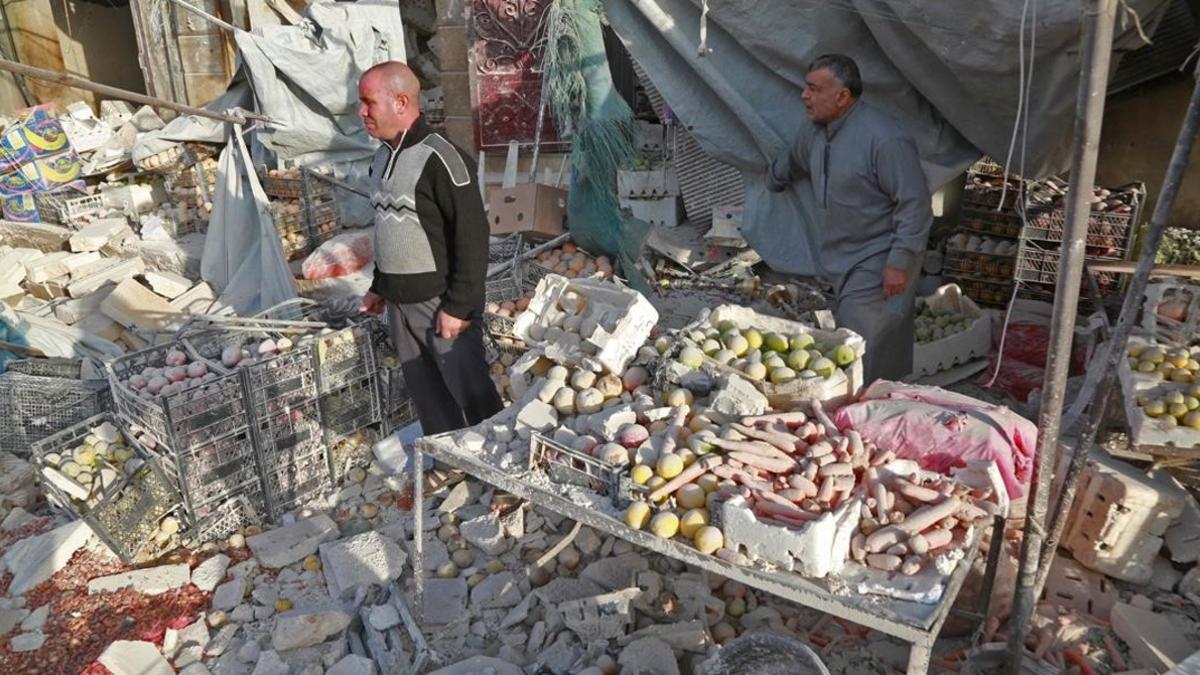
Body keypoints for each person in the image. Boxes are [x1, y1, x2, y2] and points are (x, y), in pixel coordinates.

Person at [766, 53, 933, 383]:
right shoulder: (815, 132)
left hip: (878, 255)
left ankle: (864, 409)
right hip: (838, 257)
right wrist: (772, 178)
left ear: (843, 96)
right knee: (862, 344)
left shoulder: (884, 139)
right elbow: (795, 160)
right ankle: (877, 401)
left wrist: (899, 262)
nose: (804, 95)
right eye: (806, 87)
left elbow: (915, 204)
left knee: (858, 342)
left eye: (814, 89)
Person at [358, 61, 503, 434]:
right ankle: (449, 461)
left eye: (368, 103)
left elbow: (473, 236)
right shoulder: (381, 158)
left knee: (470, 391)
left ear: (401, 102)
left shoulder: (441, 159)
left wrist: (458, 306)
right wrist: (380, 285)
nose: (362, 112)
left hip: (440, 303)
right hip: (400, 303)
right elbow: (389, 228)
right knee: (428, 393)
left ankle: (499, 462)